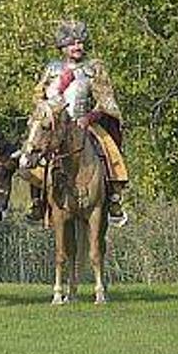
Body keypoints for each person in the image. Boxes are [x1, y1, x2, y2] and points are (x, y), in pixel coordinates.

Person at [30, 20, 129, 226]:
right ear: (63, 47)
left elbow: (105, 100)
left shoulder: (94, 68)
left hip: (84, 123)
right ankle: (37, 201)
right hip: (56, 124)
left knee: (108, 150)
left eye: (79, 42)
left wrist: (89, 118)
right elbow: (37, 94)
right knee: (34, 149)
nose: (77, 47)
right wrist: (44, 107)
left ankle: (113, 198)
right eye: (72, 43)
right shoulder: (52, 69)